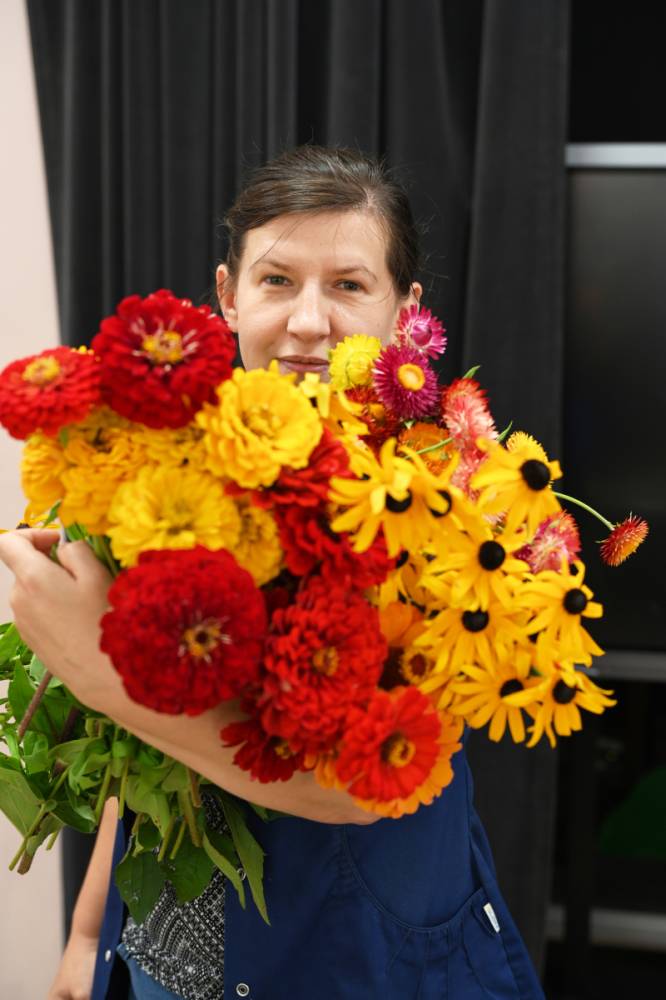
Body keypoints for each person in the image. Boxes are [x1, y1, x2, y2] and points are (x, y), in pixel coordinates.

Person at [0, 145, 546, 1000]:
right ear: (229, 295)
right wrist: (86, 931)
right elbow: (128, 751)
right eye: (277, 281)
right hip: (164, 952)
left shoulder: (460, 498)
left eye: (350, 285)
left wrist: (103, 676)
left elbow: (365, 790)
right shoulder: (172, 472)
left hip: (358, 955)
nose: (308, 322)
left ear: (406, 311)